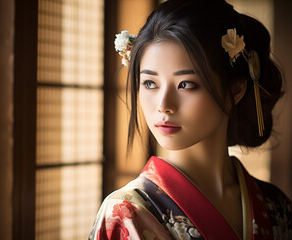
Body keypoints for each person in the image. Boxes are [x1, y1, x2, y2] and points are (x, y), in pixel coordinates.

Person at [89, 0, 292, 239]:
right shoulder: (126, 214)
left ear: (236, 90)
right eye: (150, 83)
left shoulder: (275, 205)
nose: (164, 105)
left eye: (186, 84)